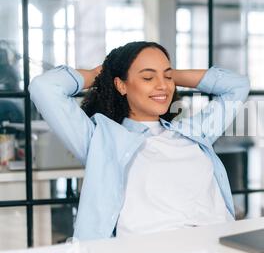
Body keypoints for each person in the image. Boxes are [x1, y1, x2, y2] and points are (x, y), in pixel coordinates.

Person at [28, 41, 250, 240]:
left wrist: (171, 75)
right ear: (121, 85)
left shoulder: (194, 132)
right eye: (147, 77)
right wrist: (101, 74)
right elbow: (45, 88)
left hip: (217, 248)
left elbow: (236, 86)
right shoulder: (102, 139)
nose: (162, 85)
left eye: (167, 76)